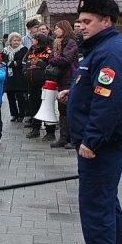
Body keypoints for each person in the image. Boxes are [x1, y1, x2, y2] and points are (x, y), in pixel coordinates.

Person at [64, 0, 122, 244]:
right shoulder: (102, 48)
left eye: (87, 21)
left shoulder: (111, 52)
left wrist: (91, 140)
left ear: (106, 21)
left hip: (101, 147)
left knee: (96, 211)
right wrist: (75, 95)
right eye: (79, 21)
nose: (80, 26)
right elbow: (96, 89)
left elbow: (109, 102)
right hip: (103, 143)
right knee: (106, 205)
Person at [47, 20, 78, 148]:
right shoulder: (57, 43)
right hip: (60, 79)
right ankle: (63, 137)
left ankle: (73, 138)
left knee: (69, 108)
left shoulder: (70, 42)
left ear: (64, 29)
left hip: (69, 78)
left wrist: (52, 59)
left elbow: (66, 59)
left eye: (57, 28)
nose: (55, 31)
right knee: (62, 109)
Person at [23, 32, 53, 139]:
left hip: (44, 83)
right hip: (32, 82)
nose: (32, 40)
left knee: (47, 107)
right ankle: (35, 128)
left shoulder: (49, 51)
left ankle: (50, 131)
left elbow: (52, 64)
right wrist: (26, 73)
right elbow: (25, 62)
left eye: (34, 38)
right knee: (34, 106)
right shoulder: (31, 50)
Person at [2, 32, 28, 122]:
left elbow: (23, 61)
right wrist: (10, 63)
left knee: (20, 96)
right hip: (9, 76)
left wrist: (13, 63)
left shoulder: (24, 50)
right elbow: (4, 60)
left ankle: (21, 114)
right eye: (14, 40)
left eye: (18, 40)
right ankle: (14, 114)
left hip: (20, 76)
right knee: (10, 96)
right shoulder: (5, 50)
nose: (16, 42)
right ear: (10, 41)